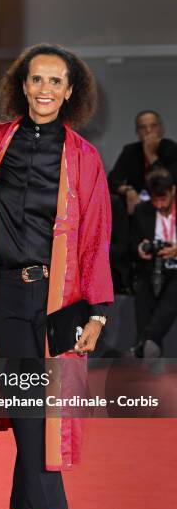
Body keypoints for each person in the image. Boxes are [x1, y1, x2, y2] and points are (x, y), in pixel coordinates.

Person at [0, 44, 113, 509]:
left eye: (56, 82)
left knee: (39, 410)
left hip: (59, 299)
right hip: (2, 295)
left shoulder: (84, 157)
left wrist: (96, 313)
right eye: (36, 80)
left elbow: (96, 235)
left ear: (71, 92)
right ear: (21, 85)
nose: (45, 90)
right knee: (29, 407)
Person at [130, 168, 177, 358]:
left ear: (173, 190)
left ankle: (144, 343)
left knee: (173, 294)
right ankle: (148, 345)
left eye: (163, 199)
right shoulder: (143, 211)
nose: (159, 204)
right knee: (143, 292)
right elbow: (131, 244)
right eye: (155, 199)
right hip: (150, 268)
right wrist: (140, 249)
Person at [108, 110, 177, 215]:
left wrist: (151, 155)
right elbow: (113, 180)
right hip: (137, 204)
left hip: (164, 202)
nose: (148, 131)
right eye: (143, 127)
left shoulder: (171, 148)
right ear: (138, 133)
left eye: (153, 126)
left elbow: (170, 180)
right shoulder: (130, 151)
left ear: (161, 130)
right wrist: (128, 190)